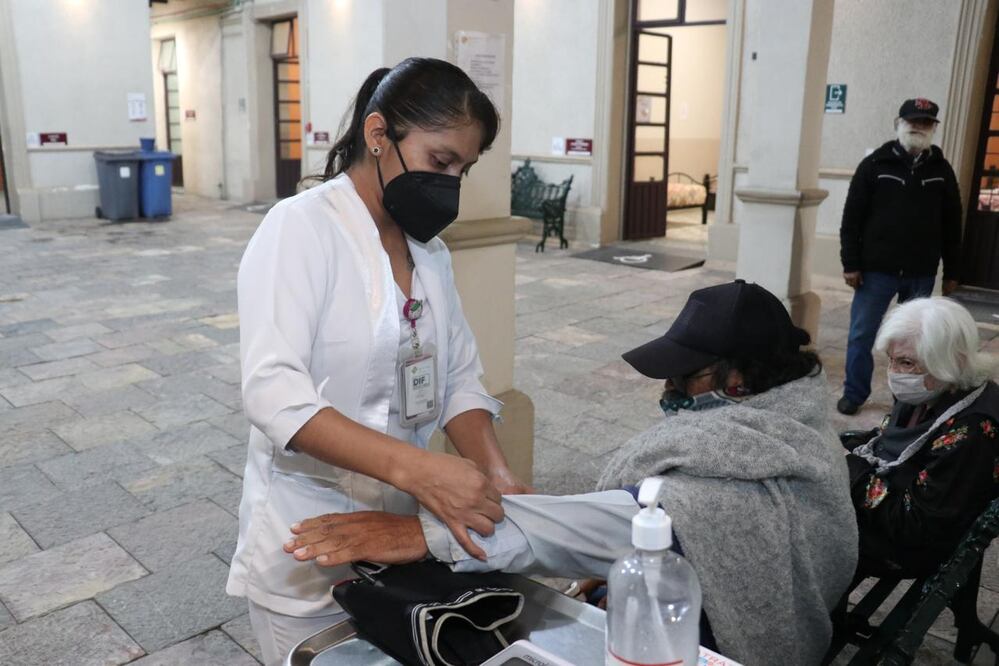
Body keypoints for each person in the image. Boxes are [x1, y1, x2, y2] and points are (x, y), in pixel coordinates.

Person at [286, 280, 859, 665]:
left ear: (738, 381)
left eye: (687, 375)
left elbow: (627, 521)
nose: (671, 390)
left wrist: (430, 534)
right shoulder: (797, 422)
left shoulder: (748, 471)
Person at [225, 57, 529, 665]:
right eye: (440, 161)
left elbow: (460, 381)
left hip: (401, 538)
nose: (450, 183)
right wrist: (419, 471)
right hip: (306, 542)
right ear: (377, 134)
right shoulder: (301, 229)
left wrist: (496, 474)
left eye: (462, 171)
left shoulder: (431, 253)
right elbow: (273, 393)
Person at [846, 297, 999, 578]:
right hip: (900, 508)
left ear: (953, 361)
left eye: (906, 362)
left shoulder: (973, 429)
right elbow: (890, 440)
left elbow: (915, 524)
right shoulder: (932, 387)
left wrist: (853, 473)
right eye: (891, 360)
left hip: (920, 546)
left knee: (806, 527)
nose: (894, 373)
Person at [837, 97, 963, 416]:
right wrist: (850, 263)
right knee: (862, 334)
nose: (918, 127)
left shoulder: (942, 170)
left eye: (926, 123)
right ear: (899, 124)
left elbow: (952, 224)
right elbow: (852, 217)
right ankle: (854, 393)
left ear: (933, 128)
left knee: (917, 343)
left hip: (921, 271)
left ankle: (907, 400)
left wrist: (952, 271)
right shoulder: (875, 165)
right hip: (876, 271)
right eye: (913, 121)